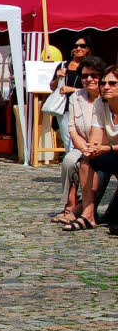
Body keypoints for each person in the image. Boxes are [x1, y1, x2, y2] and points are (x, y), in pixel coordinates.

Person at [54, 56, 106, 225]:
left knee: (93, 164)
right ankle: (69, 205)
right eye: (84, 76)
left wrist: (93, 149)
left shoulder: (106, 97)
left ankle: (84, 208)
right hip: (82, 143)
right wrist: (83, 147)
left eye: (93, 75)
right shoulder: (76, 97)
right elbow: (72, 128)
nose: (89, 79)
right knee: (69, 160)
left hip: (104, 145)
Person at [67, 65, 118, 232]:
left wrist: (107, 148)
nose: (106, 87)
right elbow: (95, 136)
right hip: (112, 152)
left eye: (112, 83)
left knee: (114, 225)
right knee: (87, 159)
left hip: (113, 150)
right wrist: (92, 149)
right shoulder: (100, 104)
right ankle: (88, 214)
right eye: (103, 83)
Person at [50, 34, 91, 152]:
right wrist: (58, 78)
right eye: (75, 45)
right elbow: (52, 87)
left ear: (88, 49)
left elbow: (95, 88)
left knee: (83, 138)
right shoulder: (63, 65)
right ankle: (72, 165)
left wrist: (72, 89)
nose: (78, 48)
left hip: (84, 106)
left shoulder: (90, 66)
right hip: (65, 107)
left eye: (82, 46)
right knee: (68, 140)